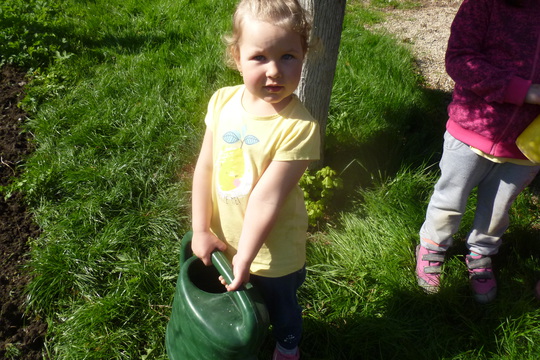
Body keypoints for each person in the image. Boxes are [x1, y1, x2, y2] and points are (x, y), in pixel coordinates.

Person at [190, 0, 320, 358]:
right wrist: (201, 228)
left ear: (304, 55)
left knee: (281, 307)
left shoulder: (299, 128)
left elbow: (267, 198)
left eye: (288, 56)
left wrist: (244, 259)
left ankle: (288, 344)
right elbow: (205, 168)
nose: (274, 71)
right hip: (224, 237)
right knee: (241, 304)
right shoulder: (222, 102)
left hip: (271, 253)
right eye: (259, 57)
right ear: (237, 57)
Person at [415, 0, 540, 303]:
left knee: (498, 209)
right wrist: (521, 91)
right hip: (471, 130)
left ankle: (481, 254)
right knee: (450, 198)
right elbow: (460, 59)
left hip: (527, 142)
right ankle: (432, 246)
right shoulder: (483, 5)